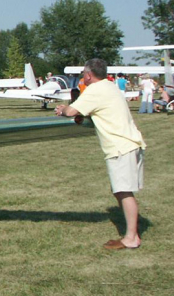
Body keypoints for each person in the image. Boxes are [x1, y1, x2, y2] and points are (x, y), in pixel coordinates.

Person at [54, 58, 146, 251]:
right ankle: (131, 234)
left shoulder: (95, 90)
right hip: (130, 142)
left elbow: (71, 111)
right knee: (121, 190)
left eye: (83, 73)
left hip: (120, 146)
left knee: (123, 191)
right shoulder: (110, 86)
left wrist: (62, 109)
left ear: (89, 75)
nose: (82, 77)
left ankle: (131, 237)